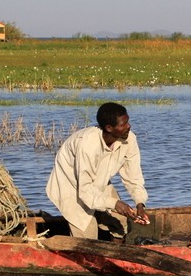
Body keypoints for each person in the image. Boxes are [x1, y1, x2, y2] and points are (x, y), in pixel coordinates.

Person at [46, 102, 149, 241]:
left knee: (120, 223)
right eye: (123, 124)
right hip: (72, 186)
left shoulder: (129, 139)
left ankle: (117, 255)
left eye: (128, 122)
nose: (128, 126)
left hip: (100, 181)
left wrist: (140, 203)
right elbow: (85, 191)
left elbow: (133, 175)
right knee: (87, 236)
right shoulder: (88, 144)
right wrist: (114, 203)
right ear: (109, 128)